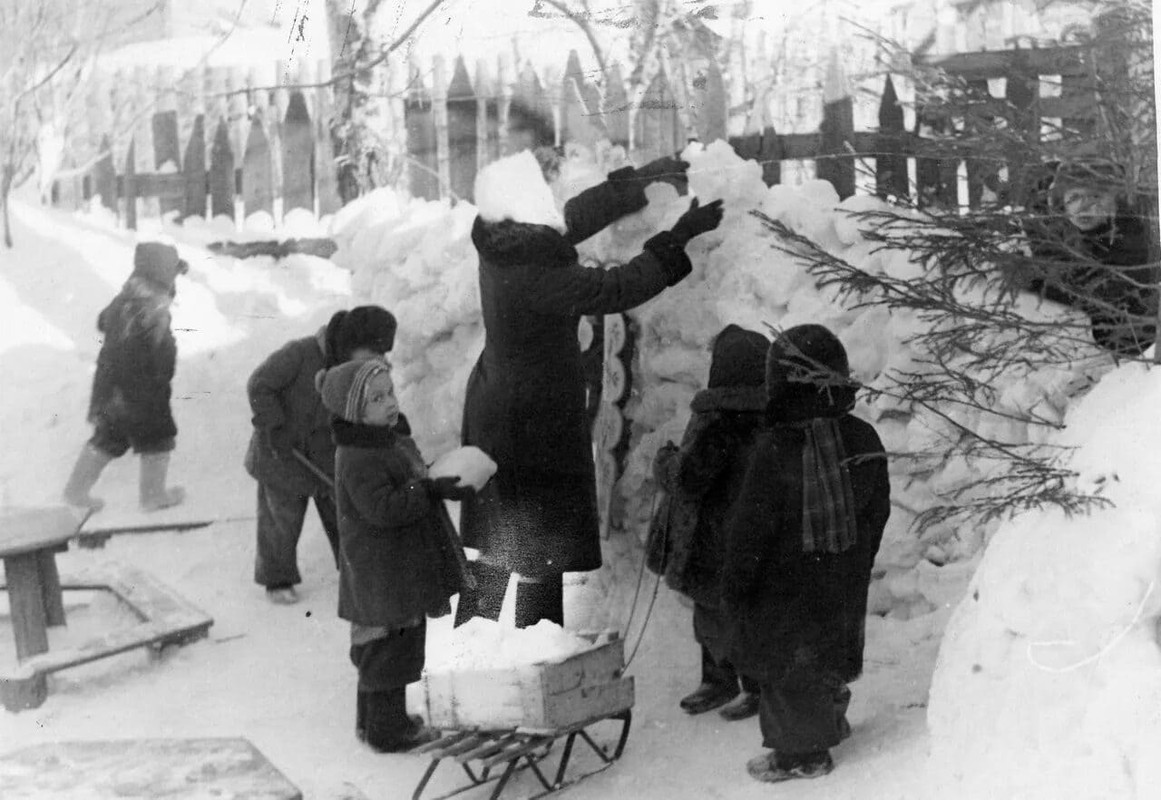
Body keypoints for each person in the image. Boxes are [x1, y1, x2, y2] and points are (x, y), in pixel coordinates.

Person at [455, 148, 724, 630]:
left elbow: (568, 220)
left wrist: (634, 184)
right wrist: (678, 235)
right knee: (535, 542)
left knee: (497, 540)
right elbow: (614, 288)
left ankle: (478, 654)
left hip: (498, 403)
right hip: (530, 418)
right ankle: (528, 659)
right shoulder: (535, 272)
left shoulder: (502, 241)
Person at [720, 324, 891, 784]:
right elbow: (878, 511)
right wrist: (858, 559)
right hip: (840, 579)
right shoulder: (863, 437)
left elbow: (749, 531)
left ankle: (801, 755)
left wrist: (736, 586)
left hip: (783, 592)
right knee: (828, 657)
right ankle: (830, 720)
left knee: (788, 673)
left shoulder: (775, 449)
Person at [317, 358, 470, 753]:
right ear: (355, 411)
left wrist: (436, 480)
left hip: (389, 573)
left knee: (383, 650)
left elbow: (408, 481)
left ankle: (372, 723)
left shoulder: (383, 441)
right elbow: (384, 508)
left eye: (390, 393)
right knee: (391, 653)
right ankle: (389, 731)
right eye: (376, 398)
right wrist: (429, 491)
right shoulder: (359, 456)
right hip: (384, 576)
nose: (389, 403)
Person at [648, 324, 770, 721]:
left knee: (714, 613)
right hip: (745, 532)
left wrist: (664, 462)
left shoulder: (718, 419)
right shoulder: (770, 415)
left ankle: (727, 682)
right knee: (741, 612)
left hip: (709, 537)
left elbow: (689, 478)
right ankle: (746, 684)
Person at [244, 305, 397, 605]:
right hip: (281, 454)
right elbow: (259, 384)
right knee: (281, 520)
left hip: (325, 457)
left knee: (343, 514)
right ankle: (277, 579)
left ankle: (356, 570)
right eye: (372, 354)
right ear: (351, 344)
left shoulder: (358, 370)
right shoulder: (301, 354)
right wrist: (274, 424)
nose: (377, 362)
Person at [62, 239, 189, 513]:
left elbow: (103, 320)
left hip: (111, 389)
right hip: (141, 391)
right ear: (163, 275)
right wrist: (160, 371)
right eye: (172, 273)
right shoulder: (151, 307)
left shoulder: (126, 299)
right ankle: (153, 497)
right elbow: (155, 354)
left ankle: (75, 490)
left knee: (108, 437)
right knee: (158, 438)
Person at [1022, 158, 1158, 358]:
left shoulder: (1134, 238)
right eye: (1074, 196)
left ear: (1115, 201)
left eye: (1096, 195)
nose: (1084, 205)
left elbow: (1102, 293)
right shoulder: (1064, 240)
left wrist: (1032, 279)